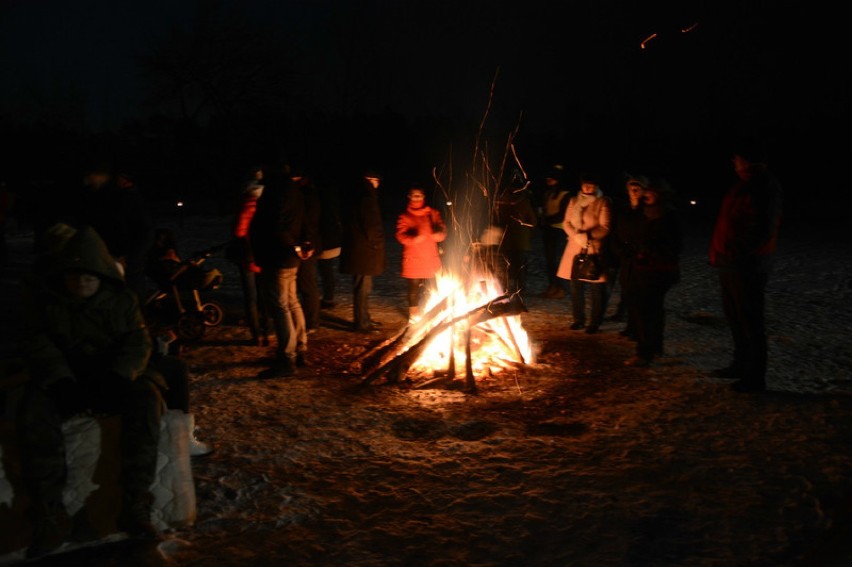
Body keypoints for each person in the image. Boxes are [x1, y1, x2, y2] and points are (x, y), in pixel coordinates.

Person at [16, 226, 165, 558]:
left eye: (89, 277)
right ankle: (49, 513)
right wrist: (60, 380)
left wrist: (119, 377)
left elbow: (137, 341)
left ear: (102, 277)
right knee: (33, 410)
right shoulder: (49, 302)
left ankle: (136, 502)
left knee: (147, 400)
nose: (81, 283)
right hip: (68, 374)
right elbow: (36, 341)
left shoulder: (122, 301)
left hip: (110, 374)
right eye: (74, 277)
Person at [708, 138, 783, 393]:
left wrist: (734, 252)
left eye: (737, 158)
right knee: (736, 317)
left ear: (748, 160)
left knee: (749, 319)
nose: (733, 162)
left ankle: (755, 375)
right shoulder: (745, 185)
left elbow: (759, 227)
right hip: (731, 263)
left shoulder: (762, 186)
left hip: (746, 265)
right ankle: (741, 364)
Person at [249, 162, 310, 377]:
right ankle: (300, 348)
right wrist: (302, 243)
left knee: (281, 306)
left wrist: (292, 244)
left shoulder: (276, 192)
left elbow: (275, 226)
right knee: (291, 302)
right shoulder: (294, 190)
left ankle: (287, 358)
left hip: (277, 256)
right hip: (289, 256)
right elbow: (300, 221)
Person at [71, 162, 154, 300]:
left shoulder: (129, 199)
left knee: (129, 296)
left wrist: (129, 258)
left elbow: (144, 232)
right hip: (107, 257)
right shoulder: (104, 197)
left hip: (125, 260)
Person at [622, 179, 683, 367]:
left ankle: (645, 352)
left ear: (659, 193)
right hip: (640, 268)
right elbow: (627, 232)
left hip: (658, 270)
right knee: (645, 309)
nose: (645, 194)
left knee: (648, 310)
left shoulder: (669, 215)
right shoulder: (640, 212)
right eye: (644, 191)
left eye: (649, 191)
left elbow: (674, 245)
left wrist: (649, 249)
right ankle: (652, 347)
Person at [556, 173, 612, 334]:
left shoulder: (602, 202)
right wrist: (576, 236)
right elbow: (566, 222)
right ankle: (578, 319)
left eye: (591, 185)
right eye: (585, 184)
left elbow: (605, 226)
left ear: (597, 186)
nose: (588, 188)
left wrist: (587, 237)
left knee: (596, 288)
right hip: (574, 248)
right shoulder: (574, 201)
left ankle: (595, 322)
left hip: (593, 248)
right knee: (576, 287)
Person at [339, 169, 386, 333]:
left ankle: (364, 318)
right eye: (377, 181)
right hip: (364, 251)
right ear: (371, 180)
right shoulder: (366, 197)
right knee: (362, 289)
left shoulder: (357, 194)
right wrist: (376, 243)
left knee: (364, 288)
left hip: (360, 250)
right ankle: (361, 323)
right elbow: (371, 224)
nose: (378, 185)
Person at [227, 166, 270, 346]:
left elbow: (238, 231)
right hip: (264, 255)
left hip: (248, 256)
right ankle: (267, 331)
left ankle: (256, 334)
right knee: (264, 295)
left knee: (251, 297)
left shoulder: (247, 205)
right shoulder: (268, 203)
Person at [395, 185, 447, 320]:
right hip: (414, 259)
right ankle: (414, 316)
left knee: (435, 285)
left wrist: (438, 236)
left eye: (419, 195)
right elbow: (400, 235)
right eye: (414, 195)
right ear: (409, 197)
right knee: (413, 289)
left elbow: (442, 230)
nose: (417, 198)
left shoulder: (433, 214)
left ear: (424, 197)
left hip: (430, 258)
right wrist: (414, 239)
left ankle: (438, 312)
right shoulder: (405, 216)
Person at [608, 174, 650, 338]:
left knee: (641, 295)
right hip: (626, 259)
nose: (634, 189)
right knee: (628, 293)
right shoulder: (624, 210)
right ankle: (631, 326)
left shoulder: (647, 210)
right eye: (631, 186)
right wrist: (619, 250)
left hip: (642, 259)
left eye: (638, 186)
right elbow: (615, 233)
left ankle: (640, 329)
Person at [495, 170, 537, 296]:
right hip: (519, 241)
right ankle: (519, 292)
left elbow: (497, 219)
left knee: (507, 266)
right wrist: (528, 232)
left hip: (508, 239)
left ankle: (506, 291)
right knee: (519, 268)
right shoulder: (525, 201)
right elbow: (533, 221)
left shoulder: (502, 200)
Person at [291, 167, 322, 333]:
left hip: (306, 246)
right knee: (302, 283)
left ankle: (312, 321)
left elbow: (310, 221)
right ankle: (308, 319)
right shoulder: (303, 193)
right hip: (302, 243)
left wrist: (307, 243)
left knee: (307, 283)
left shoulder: (307, 195)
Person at [537, 165, 571, 299]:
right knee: (549, 260)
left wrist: (547, 220)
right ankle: (552, 286)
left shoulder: (565, 194)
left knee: (556, 260)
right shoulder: (548, 193)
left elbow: (563, 214)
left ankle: (560, 288)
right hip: (548, 230)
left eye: (551, 178)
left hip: (559, 230)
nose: (548, 180)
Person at [316, 176, 343, 309]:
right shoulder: (331, 203)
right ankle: (328, 297)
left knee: (324, 271)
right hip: (329, 242)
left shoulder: (318, 204)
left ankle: (327, 298)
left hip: (323, 243)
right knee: (326, 271)